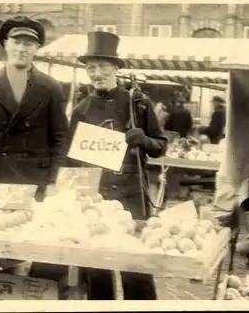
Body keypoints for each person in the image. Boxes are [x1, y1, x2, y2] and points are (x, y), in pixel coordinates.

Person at [69, 31, 168, 300]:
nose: (97, 73)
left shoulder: (137, 103)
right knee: (97, 269)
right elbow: (71, 159)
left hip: (132, 194)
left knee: (135, 266)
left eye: (102, 66)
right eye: (91, 68)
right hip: (96, 198)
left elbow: (160, 146)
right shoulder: (81, 110)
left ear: (115, 68)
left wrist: (144, 140)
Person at [0, 15, 69, 200]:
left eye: (28, 44)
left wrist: (54, 181)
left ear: (37, 48)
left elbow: (60, 139)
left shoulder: (51, 87)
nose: (21, 49)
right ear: (5, 44)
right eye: (16, 42)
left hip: (35, 181)